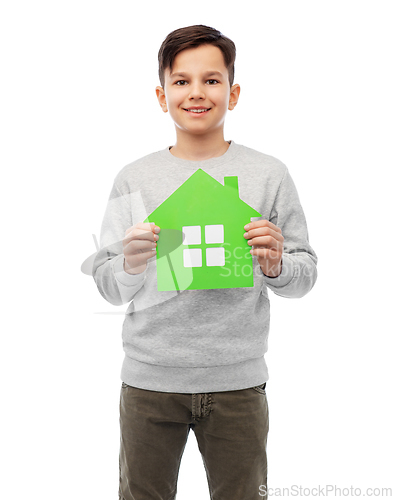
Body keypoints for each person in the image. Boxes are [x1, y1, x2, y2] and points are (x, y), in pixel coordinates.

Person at [92, 24, 318, 500]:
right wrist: (129, 265)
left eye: (212, 80)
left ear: (233, 93)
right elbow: (108, 285)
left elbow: (304, 275)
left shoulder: (268, 174)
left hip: (238, 386)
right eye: (182, 81)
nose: (197, 93)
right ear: (162, 95)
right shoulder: (134, 178)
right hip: (148, 385)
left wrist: (277, 264)